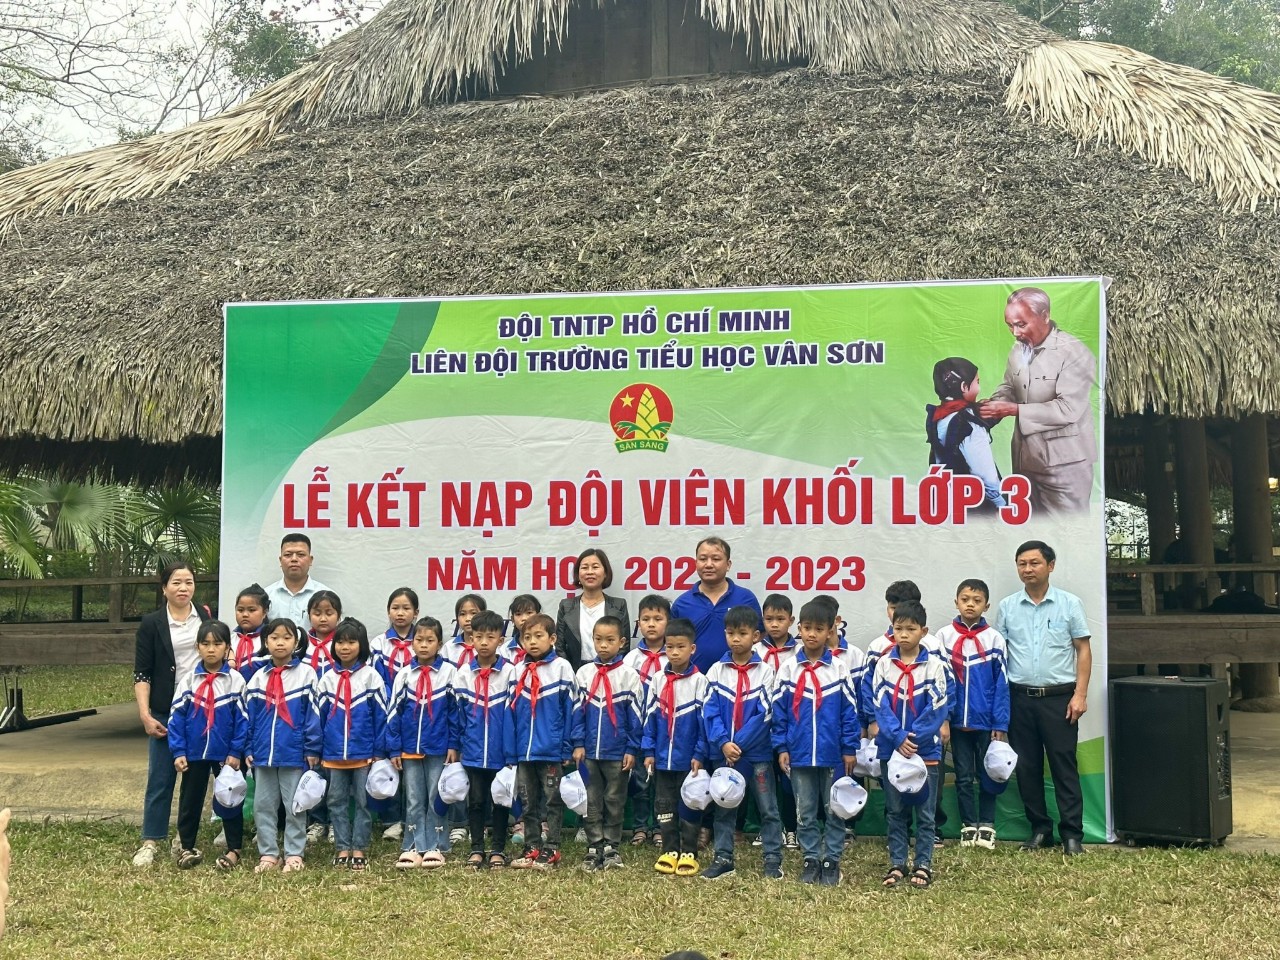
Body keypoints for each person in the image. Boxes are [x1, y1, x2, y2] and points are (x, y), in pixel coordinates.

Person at [993, 540, 1092, 856]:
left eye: (1034, 563)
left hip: (1059, 700)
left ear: (1050, 565)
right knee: (1027, 768)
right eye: (1022, 563)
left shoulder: (1069, 604)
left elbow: (1083, 649)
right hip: (1019, 698)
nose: (1027, 569)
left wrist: (1080, 695)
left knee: (1064, 766)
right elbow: (1000, 656)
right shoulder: (1008, 607)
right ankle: (1040, 829)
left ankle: (1072, 834)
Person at [977, 287, 1098, 514]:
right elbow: (1009, 386)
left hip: (1066, 467)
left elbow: (1068, 409)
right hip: (1025, 462)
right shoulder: (1018, 350)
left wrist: (1013, 410)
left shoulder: (1074, 353)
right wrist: (993, 406)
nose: (1015, 333)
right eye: (1009, 325)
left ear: (1045, 316)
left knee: (1068, 530)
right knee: (1031, 530)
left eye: (1021, 324)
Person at [771, 600, 859, 886]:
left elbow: (850, 713)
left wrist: (849, 748)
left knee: (834, 809)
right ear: (799, 628)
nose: (812, 634)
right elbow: (779, 713)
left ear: (831, 631)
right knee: (804, 811)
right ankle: (811, 857)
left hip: (832, 754)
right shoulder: (788, 669)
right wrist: (782, 747)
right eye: (807, 628)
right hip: (798, 753)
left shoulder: (839, 669)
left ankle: (831, 859)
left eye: (819, 629)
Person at [132, 561, 211, 867]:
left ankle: (184, 839)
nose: (183, 588)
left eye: (188, 582)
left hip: (200, 711)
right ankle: (150, 841)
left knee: (194, 779)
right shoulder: (152, 623)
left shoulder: (205, 616)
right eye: (176, 582)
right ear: (164, 588)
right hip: (166, 710)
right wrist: (145, 714)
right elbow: (142, 673)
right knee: (161, 778)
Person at [872, 601, 949, 889]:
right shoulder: (883, 665)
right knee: (895, 811)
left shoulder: (935, 667)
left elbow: (938, 707)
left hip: (924, 750)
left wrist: (912, 738)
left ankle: (923, 864)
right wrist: (897, 737)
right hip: (891, 750)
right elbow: (879, 705)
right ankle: (897, 862)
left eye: (911, 629)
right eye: (898, 629)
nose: (903, 634)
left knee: (925, 813)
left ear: (923, 632)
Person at [702, 606, 783, 880]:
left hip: (756, 754)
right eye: (730, 633)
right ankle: (724, 858)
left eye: (742, 633)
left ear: (756, 636)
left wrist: (738, 744)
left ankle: (772, 859)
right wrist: (723, 742)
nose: (735, 639)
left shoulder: (766, 672)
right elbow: (709, 711)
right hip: (724, 754)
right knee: (724, 808)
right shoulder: (716, 671)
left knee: (767, 808)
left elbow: (765, 713)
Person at [935, 579, 1009, 850]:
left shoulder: (994, 639)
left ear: (986, 606)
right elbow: (938, 682)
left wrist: (1000, 722)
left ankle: (987, 824)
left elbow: (1002, 684)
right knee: (963, 776)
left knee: (989, 773)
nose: (970, 605)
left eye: (977, 601)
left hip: (986, 722)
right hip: (955, 723)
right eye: (965, 599)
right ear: (956, 602)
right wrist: (944, 717)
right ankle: (968, 825)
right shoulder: (943, 637)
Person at [168, 620, 249, 870]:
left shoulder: (235, 681)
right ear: (197, 647)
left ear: (227, 648)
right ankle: (187, 846)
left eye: (217, 643)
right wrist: (178, 751)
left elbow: (243, 721)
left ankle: (233, 848)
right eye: (205, 644)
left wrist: (235, 751)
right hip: (194, 752)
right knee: (190, 799)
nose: (211, 649)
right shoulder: (189, 681)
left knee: (229, 798)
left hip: (226, 755)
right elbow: (176, 718)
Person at [245, 617, 320, 874]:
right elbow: (248, 718)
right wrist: (248, 748)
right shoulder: (258, 677)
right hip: (263, 754)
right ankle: (268, 853)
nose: (280, 643)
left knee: (294, 805)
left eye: (286, 638)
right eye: (274, 638)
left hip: (293, 752)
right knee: (263, 805)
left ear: (296, 642)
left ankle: (294, 853)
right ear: (266, 642)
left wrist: (311, 748)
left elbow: (313, 715)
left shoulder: (306, 674)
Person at [386, 615, 459, 869]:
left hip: (439, 748)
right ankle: (413, 845)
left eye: (430, 640)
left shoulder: (449, 673)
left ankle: (437, 845)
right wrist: (394, 747)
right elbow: (394, 713)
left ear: (440, 644)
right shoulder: (405, 674)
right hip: (409, 749)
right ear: (412, 643)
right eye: (419, 640)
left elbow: (455, 713)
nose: (424, 645)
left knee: (436, 795)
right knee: (414, 797)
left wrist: (453, 744)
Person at [315, 618, 387, 871]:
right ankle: (342, 846)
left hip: (364, 753)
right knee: (336, 801)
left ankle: (359, 847)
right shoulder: (326, 679)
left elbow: (381, 718)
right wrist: (317, 749)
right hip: (333, 754)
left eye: (351, 642)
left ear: (362, 645)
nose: (345, 647)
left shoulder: (371, 677)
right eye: (340, 642)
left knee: (364, 802)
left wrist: (378, 751)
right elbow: (319, 718)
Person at [572, 616, 643, 871]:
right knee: (591, 799)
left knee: (615, 799)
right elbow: (577, 713)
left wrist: (631, 748)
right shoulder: (583, 673)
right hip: (589, 752)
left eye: (610, 640)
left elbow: (636, 717)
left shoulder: (629, 676)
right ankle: (594, 845)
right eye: (598, 639)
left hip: (617, 752)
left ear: (622, 642)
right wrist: (578, 743)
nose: (603, 645)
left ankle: (612, 845)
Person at [509, 613, 577, 871]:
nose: (533, 642)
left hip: (551, 750)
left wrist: (567, 746)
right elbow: (510, 713)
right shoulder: (517, 670)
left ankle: (553, 847)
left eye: (539, 636)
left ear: (553, 638)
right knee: (528, 801)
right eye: (527, 637)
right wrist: (511, 750)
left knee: (552, 800)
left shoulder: (562, 668)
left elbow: (571, 710)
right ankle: (532, 846)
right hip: (524, 751)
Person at [641, 618, 708, 877]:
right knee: (664, 805)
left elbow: (704, 723)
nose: (675, 652)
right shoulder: (657, 679)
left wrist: (699, 753)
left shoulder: (700, 681)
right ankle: (669, 848)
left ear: (693, 649)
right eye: (670, 647)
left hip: (689, 760)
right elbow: (649, 719)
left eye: (681, 647)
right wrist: (648, 751)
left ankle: (689, 850)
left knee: (690, 803)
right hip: (662, 758)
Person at [452, 609, 517, 869]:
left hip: (502, 752)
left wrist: (512, 752)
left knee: (500, 800)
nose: (484, 642)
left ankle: (498, 849)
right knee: (476, 801)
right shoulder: (463, 674)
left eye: (490, 637)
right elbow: (457, 716)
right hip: (473, 751)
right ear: (471, 639)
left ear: (501, 640)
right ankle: (477, 848)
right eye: (478, 637)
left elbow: (516, 715)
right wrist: (456, 745)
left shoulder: (511, 673)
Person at [671, 537, 763, 673]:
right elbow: (672, 643)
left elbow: (760, 637)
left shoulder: (746, 599)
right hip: (692, 680)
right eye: (703, 559)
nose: (708, 564)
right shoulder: (682, 604)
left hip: (739, 679)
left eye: (716, 559)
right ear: (696, 563)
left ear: (728, 564)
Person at [927, 357, 1005, 509]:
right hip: (973, 501)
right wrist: (1000, 503)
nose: (979, 387)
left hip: (947, 495)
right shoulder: (969, 423)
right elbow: (985, 474)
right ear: (964, 387)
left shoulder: (937, 416)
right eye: (977, 382)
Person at [622, 594, 669, 846]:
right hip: (638, 729)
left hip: (665, 729)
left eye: (658, 619)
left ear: (668, 622)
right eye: (646, 619)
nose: (651, 624)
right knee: (640, 780)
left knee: (662, 782)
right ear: (638, 623)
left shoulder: (674, 656)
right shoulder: (630, 659)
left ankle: (661, 827)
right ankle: (640, 827)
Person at [754, 592, 799, 851]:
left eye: (780, 619)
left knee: (789, 779)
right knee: (764, 778)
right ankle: (768, 827)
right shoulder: (755, 650)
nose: (774, 624)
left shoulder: (800, 651)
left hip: (790, 724)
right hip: (761, 726)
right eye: (769, 619)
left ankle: (791, 828)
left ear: (791, 621)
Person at [557, 549, 631, 670]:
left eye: (595, 567)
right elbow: (560, 647)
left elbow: (624, 646)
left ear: (605, 573)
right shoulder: (566, 606)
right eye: (584, 568)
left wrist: (610, 670)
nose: (590, 572)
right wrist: (570, 673)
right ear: (578, 574)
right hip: (575, 672)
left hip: (610, 671)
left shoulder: (619, 605)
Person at [265, 534, 329, 630]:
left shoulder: (326, 595)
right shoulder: (266, 596)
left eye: (301, 555)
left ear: (310, 560)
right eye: (288, 555)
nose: (294, 559)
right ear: (280, 560)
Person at [231, 584, 270, 681]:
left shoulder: (270, 640)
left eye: (251, 610)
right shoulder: (228, 639)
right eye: (240, 610)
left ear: (264, 612)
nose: (245, 614)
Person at [303, 590, 342, 677]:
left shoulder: (343, 643)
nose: (323, 619)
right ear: (309, 616)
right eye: (317, 614)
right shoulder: (302, 643)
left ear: (339, 616)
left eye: (329, 614)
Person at [444, 594, 486, 670]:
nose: (468, 619)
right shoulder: (448, 647)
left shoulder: (489, 647)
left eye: (473, 613)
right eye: (462, 614)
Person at [503, 594, 541, 663]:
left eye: (529, 613)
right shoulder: (505, 649)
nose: (524, 618)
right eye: (518, 614)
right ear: (512, 619)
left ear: (539, 616)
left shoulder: (547, 645)